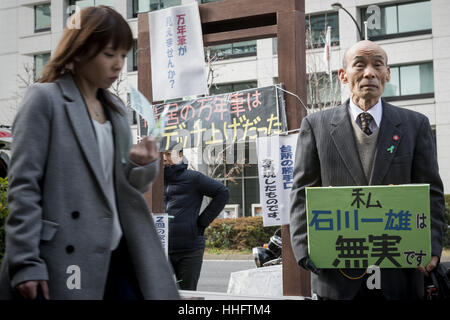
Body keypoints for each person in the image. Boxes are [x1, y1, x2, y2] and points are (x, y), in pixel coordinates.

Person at [0, 6, 179, 300]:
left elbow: (125, 187)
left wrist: (139, 162)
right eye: (110, 54)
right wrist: (26, 262)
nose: (118, 65)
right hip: (64, 254)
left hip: (120, 250)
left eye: (123, 55)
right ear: (80, 50)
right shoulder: (45, 99)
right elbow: (23, 187)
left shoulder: (117, 111)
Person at [289, 40, 446, 300]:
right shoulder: (316, 126)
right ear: (343, 75)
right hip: (337, 273)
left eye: (378, 65)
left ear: (387, 74)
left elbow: (431, 193)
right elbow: (301, 193)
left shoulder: (414, 125)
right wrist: (305, 248)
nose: (369, 73)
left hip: (400, 272)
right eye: (359, 65)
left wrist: (430, 245)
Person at [163, 149, 229, 290]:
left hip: (189, 249)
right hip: (160, 249)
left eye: (168, 154)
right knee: (159, 292)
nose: (163, 158)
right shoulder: (152, 181)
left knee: (188, 294)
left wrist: (202, 222)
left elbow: (222, 192)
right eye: (160, 154)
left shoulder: (193, 178)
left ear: (180, 155)